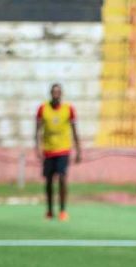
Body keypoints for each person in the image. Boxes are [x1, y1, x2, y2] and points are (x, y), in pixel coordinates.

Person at [35, 83, 81, 221]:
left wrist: (79, 150)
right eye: (54, 92)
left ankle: (62, 210)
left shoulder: (69, 109)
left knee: (62, 178)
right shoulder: (43, 109)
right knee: (48, 181)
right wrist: (37, 147)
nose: (56, 94)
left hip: (63, 150)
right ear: (50, 93)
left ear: (61, 94)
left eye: (58, 92)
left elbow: (74, 131)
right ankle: (49, 210)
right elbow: (37, 130)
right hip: (48, 150)